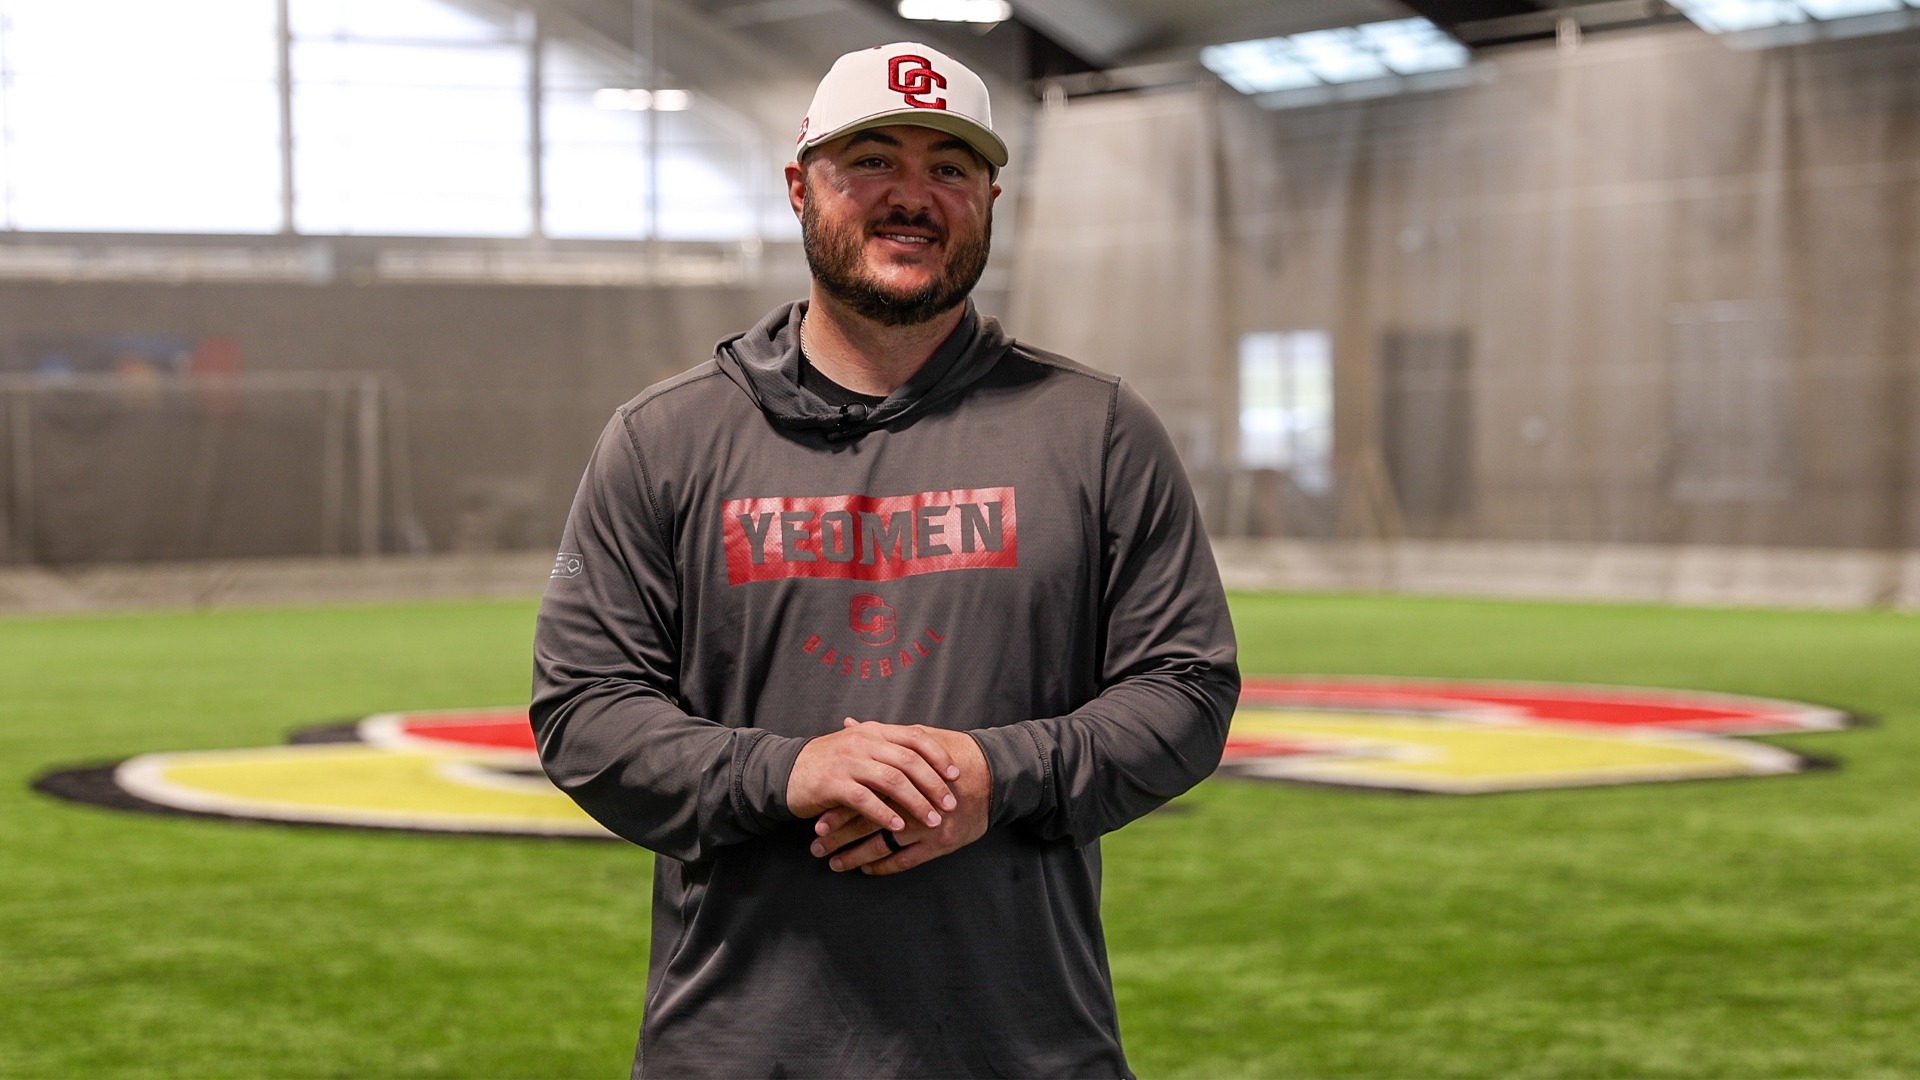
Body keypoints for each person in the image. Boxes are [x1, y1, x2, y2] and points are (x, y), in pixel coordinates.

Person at [531, 40, 1238, 1079]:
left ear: (991, 198)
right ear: (799, 186)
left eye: (948, 168)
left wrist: (996, 773)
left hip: (1025, 1047)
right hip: (738, 1051)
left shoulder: (1093, 429)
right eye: (871, 160)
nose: (912, 196)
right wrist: (789, 772)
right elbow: (582, 709)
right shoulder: (664, 439)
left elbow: (1188, 688)